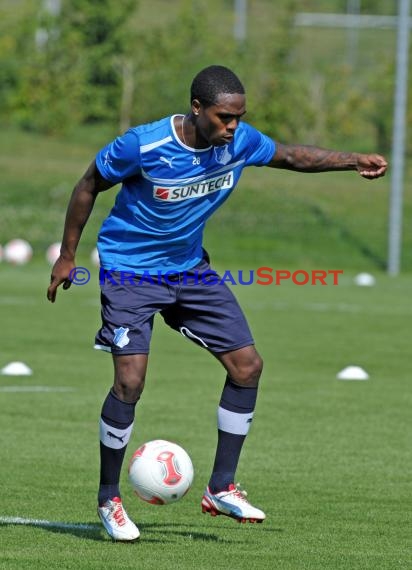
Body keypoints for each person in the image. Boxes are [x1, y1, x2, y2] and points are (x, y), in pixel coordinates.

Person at [47, 65, 387, 541]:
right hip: (130, 273)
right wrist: (67, 256)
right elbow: (87, 185)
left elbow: (292, 157)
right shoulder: (142, 145)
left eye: (239, 117)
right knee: (130, 380)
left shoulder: (239, 142)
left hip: (189, 270)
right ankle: (109, 498)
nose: (233, 126)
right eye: (225, 117)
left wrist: (352, 160)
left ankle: (221, 487)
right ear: (197, 109)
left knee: (247, 366)